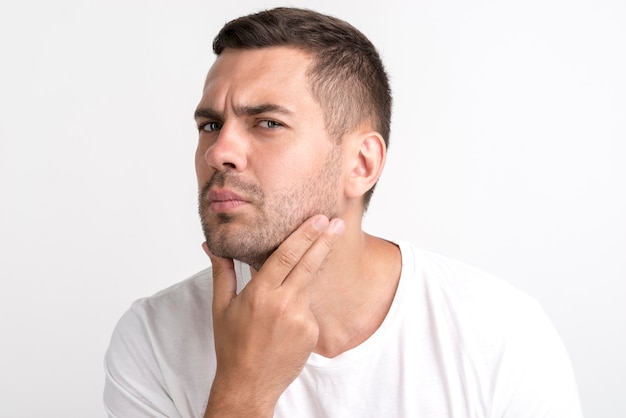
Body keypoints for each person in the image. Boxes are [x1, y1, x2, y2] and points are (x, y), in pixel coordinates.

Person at [104, 7, 583, 418]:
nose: (218, 152)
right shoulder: (153, 339)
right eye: (211, 124)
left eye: (268, 123)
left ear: (361, 164)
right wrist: (243, 391)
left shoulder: (500, 333)